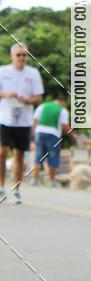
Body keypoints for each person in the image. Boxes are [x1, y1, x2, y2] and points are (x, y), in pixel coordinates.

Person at [0, 43, 43, 204]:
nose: (22, 57)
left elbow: (38, 97)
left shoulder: (33, 73)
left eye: (24, 55)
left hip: (24, 120)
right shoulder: (3, 71)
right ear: (12, 56)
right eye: (18, 54)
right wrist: (7, 94)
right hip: (5, 118)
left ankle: (16, 190)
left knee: (19, 156)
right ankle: (1, 187)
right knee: (2, 152)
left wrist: (27, 100)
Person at [32, 91, 70, 187]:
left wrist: (32, 134)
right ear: (63, 101)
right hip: (53, 135)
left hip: (39, 132)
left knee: (39, 156)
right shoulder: (62, 110)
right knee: (53, 157)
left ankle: (35, 179)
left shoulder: (43, 106)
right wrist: (72, 135)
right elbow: (64, 125)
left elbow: (34, 120)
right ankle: (51, 181)